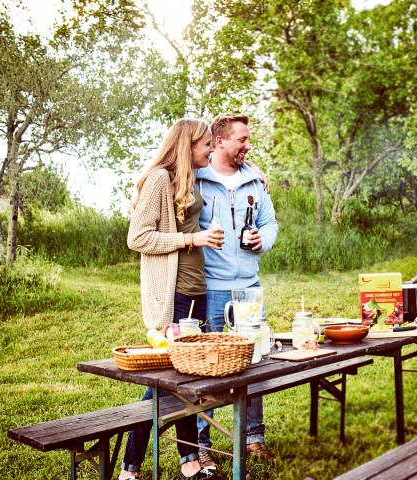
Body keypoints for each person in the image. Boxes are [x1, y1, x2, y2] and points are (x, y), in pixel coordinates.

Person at [120, 118, 225, 480]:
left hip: (197, 290)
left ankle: (189, 461)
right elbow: (138, 238)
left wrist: (256, 171)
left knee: (187, 380)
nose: (211, 149)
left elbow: (231, 164)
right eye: (206, 144)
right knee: (165, 383)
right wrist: (190, 240)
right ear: (187, 145)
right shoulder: (158, 180)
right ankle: (130, 467)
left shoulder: (190, 178)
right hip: (173, 294)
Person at [195, 113, 279, 466]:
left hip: (249, 288)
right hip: (211, 287)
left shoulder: (255, 182)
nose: (248, 145)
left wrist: (263, 241)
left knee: (254, 360)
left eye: (248, 139)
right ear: (219, 143)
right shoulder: (195, 180)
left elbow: (270, 223)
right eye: (242, 139)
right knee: (207, 367)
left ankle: (254, 437)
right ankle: (203, 443)